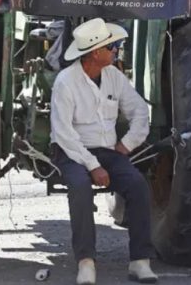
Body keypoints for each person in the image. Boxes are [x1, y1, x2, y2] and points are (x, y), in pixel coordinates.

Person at [50, 18, 156, 285]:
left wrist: (126, 145)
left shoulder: (113, 76)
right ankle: (86, 262)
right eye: (113, 47)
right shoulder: (65, 82)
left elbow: (140, 110)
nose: (117, 51)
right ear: (96, 52)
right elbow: (63, 134)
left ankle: (140, 261)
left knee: (138, 185)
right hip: (71, 151)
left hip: (108, 150)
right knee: (80, 186)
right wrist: (92, 165)